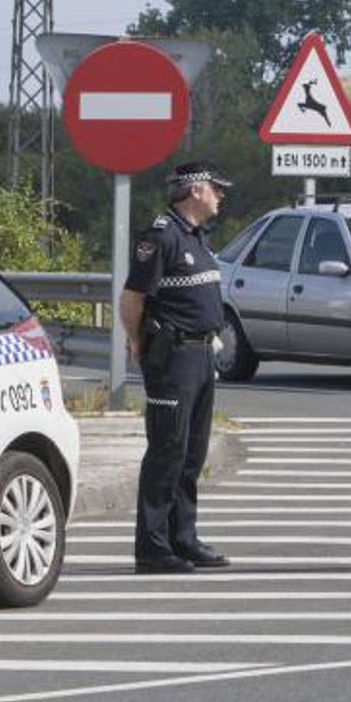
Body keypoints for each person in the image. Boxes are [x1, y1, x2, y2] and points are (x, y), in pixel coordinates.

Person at [119, 161, 233, 574]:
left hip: (202, 354)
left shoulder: (197, 237)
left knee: (192, 451)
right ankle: (152, 547)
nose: (221, 195)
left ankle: (183, 537)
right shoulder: (161, 236)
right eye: (215, 188)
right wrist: (137, 343)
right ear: (195, 191)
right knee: (167, 450)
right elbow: (132, 299)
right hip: (172, 356)